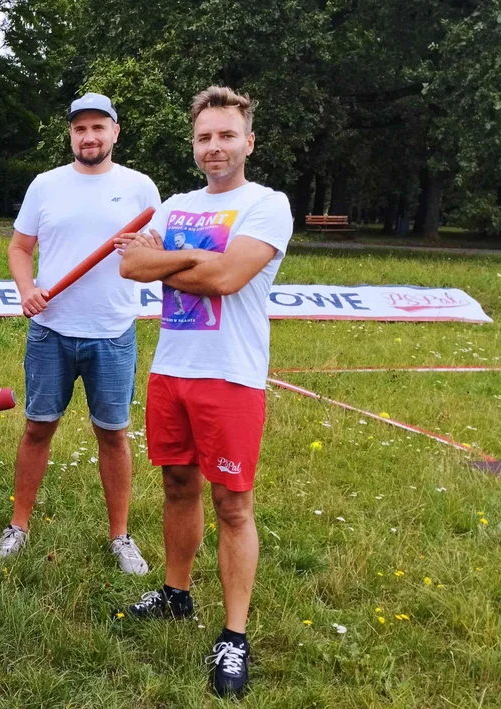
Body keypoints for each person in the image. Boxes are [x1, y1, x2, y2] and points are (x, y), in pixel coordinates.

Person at [117, 86, 293, 698]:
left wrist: (172, 254)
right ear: (193, 145)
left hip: (232, 376)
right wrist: (184, 257)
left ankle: (233, 636)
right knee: (176, 485)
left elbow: (224, 277)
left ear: (248, 141)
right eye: (203, 137)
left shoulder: (268, 205)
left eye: (225, 135)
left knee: (233, 503)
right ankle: (176, 593)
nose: (214, 147)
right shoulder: (177, 202)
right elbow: (129, 267)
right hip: (173, 369)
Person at [0, 93, 162, 576]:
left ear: (115, 132)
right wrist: (27, 290)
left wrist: (144, 248)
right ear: (71, 134)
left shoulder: (140, 187)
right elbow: (21, 247)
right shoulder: (46, 186)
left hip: (112, 332)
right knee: (37, 427)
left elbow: (160, 251)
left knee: (113, 434)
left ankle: (120, 537)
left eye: (98, 128)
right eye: (79, 128)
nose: (89, 137)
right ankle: (19, 526)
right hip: (51, 331)